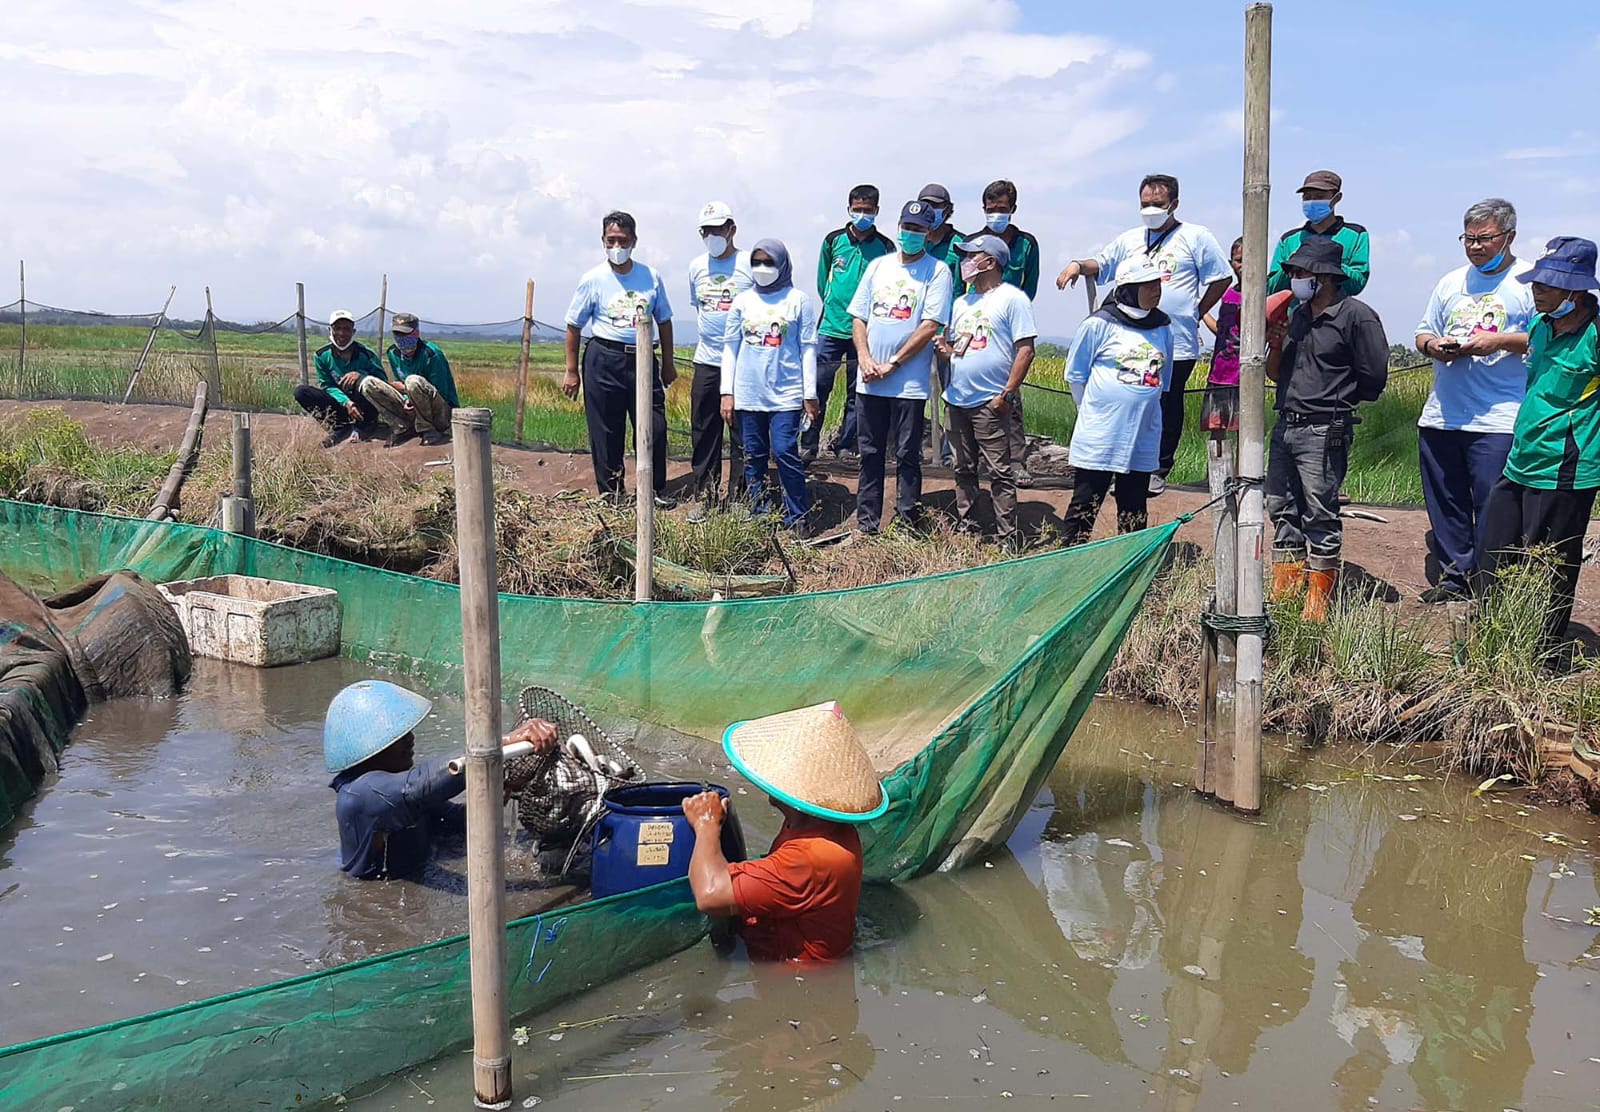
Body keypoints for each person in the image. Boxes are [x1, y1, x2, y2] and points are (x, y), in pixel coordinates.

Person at [1056, 173, 1232, 496]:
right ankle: (1121, 463)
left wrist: (1197, 309)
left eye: (1158, 204)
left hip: (1175, 338)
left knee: (1167, 399)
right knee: (1132, 395)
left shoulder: (1195, 237)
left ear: (1174, 204)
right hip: (1133, 336)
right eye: (1145, 204)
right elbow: (1103, 263)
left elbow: (1221, 277)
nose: (1150, 210)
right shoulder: (1131, 239)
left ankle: (1158, 467)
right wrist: (1077, 265)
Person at [681, 701, 887, 962]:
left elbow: (709, 894)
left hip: (796, 977)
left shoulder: (812, 857)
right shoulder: (817, 822)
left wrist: (706, 824)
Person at [1475, 235, 1600, 657]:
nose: (1537, 290)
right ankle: (1493, 642)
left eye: (1548, 284)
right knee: (1494, 553)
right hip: (1521, 458)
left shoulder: (1596, 334)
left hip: (1566, 466)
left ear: (1576, 289)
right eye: (1536, 282)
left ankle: (1542, 653)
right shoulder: (1540, 326)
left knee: (1551, 564)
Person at [1413, 199, 1533, 604]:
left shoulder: (1529, 283)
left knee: (1494, 503)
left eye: (1484, 238)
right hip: (1443, 414)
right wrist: (1435, 346)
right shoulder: (1450, 283)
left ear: (1509, 236)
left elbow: (1546, 337)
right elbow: (1423, 332)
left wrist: (1497, 341)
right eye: (1469, 238)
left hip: (1499, 416)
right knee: (1446, 501)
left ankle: (1493, 583)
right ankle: (1454, 578)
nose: (1475, 246)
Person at [1265, 238, 1390, 621]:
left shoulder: (1356, 316)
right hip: (1286, 422)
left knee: (1319, 512)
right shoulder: (1298, 317)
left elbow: (1373, 378)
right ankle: (1285, 594)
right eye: (1294, 272)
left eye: (1302, 273)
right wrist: (1275, 343)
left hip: (1323, 428)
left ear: (1324, 277)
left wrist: (1338, 398)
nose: (1295, 279)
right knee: (1281, 508)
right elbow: (1275, 374)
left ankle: (1317, 605)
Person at [324, 680, 557, 880]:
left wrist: (499, 791)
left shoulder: (396, 786)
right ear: (369, 746)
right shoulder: (362, 793)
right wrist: (505, 742)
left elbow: (455, 822)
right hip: (376, 898)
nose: (411, 740)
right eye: (399, 736)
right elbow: (420, 786)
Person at [849, 200, 954, 534]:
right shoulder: (878, 267)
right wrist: (865, 358)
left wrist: (893, 363)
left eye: (918, 229)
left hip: (907, 383)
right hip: (869, 380)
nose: (910, 234)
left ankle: (907, 522)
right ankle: (867, 524)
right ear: (898, 227)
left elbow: (929, 325)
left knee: (907, 454)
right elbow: (859, 317)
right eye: (906, 227)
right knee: (870, 453)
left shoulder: (937, 271)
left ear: (928, 233)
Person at [564, 211, 676, 507]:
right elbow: (574, 325)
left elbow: (664, 321)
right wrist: (571, 371)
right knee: (606, 430)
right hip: (604, 359)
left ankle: (652, 490)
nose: (617, 246)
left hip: (642, 359)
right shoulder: (593, 279)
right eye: (611, 240)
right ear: (603, 241)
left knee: (654, 425)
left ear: (634, 241)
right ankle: (612, 494)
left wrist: (667, 363)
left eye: (622, 240)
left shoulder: (650, 276)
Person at [1061, 258, 1174, 545]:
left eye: (1157, 283)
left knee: (1134, 505)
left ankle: (1128, 563)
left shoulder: (1163, 328)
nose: (1155, 290)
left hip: (1143, 433)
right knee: (1086, 501)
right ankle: (1068, 560)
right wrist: (1090, 412)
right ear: (1128, 288)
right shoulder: (1098, 324)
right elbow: (1076, 375)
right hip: (1101, 432)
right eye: (1147, 284)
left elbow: (1164, 381)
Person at [936, 234, 1037, 545]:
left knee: (1000, 471)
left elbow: (1025, 349)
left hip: (990, 401)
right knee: (963, 467)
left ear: (990, 261)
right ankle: (969, 528)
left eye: (971, 256)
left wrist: (1006, 393)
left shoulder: (1013, 299)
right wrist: (946, 350)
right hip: (957, 399)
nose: (965, 262)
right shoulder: (961, 302)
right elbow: (961, 348)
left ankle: (1007, 536)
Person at [720, 239, 820, 532]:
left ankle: (798, 516)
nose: (762, 269)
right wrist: (728, 392)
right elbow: (730, 349)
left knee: (786, 450)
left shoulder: (797, 300)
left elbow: (808, 348)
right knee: (753, 454)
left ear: (783, 264)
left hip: (786, 393)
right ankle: (759, 513)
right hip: (749, 393)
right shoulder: (742, 301)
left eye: (769, 263)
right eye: (757, 263)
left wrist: (809, 393)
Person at [809, 185, 895, 463]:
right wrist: (835, 305)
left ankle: (846, 446)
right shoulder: (834, 240)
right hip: (831, 327)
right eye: (857, 209)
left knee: (856, 393)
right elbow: (823, 282)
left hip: (866, 333)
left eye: (867, 211)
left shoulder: (885, 247)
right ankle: (808, 444)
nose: (861, 215)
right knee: (818, 388)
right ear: (849, 209)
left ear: (876, 212)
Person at [973, 179, 1043, 487]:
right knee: (972, 394)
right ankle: (973, 459)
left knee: (1010, 394)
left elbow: (1030, 285)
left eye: (1002, 209)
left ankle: (1017, 461)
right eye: (991, 209)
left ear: (1012, 209)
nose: (996, 214)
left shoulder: (1027, 243)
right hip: (978, 323)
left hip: (1012, 323)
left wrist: (1014, 311)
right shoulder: (974, 241)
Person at [686, 201, 753, 521]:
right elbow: (697, 308)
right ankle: (706, 495)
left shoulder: (748, 265)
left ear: (731, 229)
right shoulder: (696, 267)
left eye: (718, 229)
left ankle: (739, 496)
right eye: (707, 231)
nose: (713, 235)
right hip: (707, 360)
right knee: (703, 429)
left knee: (742, 430)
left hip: (743, 362)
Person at [361, 313, 460, 447]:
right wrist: (406, 397)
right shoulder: (392, 353)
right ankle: (402, 427)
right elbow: (399, 382)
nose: (402, 339)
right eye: (398, 335)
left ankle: (427, 429)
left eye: (406, 334)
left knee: (412, 381)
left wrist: (408, 391)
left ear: (416, 333)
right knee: (369, 383)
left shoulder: (431, 354)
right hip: (410, 404)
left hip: (439, 412)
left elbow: (441, 392)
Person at [1268, 169, 1370, 296]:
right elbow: (1271, 289)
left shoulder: (1356, 235)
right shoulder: (1289, 239)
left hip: (1336, 313)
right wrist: (1291, 264)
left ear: (1336, 198)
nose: (1312, 201)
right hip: (1296, 314)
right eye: (1307, 197)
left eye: (1319, 197)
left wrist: (1328, 260)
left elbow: (1357, 285)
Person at [295, 309, 388, 447]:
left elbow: (382, 383)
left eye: (346, 329)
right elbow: (327, 385)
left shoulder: (367, 355)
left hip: (364, 402)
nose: (341, 333)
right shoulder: (321, 356)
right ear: (330, 330)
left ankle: (366, 425)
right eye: (337, 328)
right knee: (301, 392)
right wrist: (346, 402)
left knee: (366, 383)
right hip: (340, 402)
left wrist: (361, 376)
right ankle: (340, 427)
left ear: (353, 331)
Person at [1199, 237, 1245, 434]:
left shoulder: (1264, 293)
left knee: (1244, 432)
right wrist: (1200, 312)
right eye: (1238, 260)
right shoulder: (1227, 294)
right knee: (1216, 429)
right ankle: (1217, 466)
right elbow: (1222, 330)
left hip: (1243, 374)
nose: (1243, 265)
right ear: (1231, 263)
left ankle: (1243, 467)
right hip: (1219, 371)